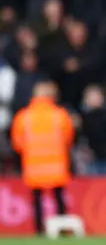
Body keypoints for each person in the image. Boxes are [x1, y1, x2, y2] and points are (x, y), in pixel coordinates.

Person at [10, 81, 75, 235]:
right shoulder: (60, 115)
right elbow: (68, 138)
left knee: (37, 198)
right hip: (57, 165)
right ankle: (63, 228)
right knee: (58, 197)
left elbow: (17, 142)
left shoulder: (24, 116)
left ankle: (39, 229)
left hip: (33, 165)